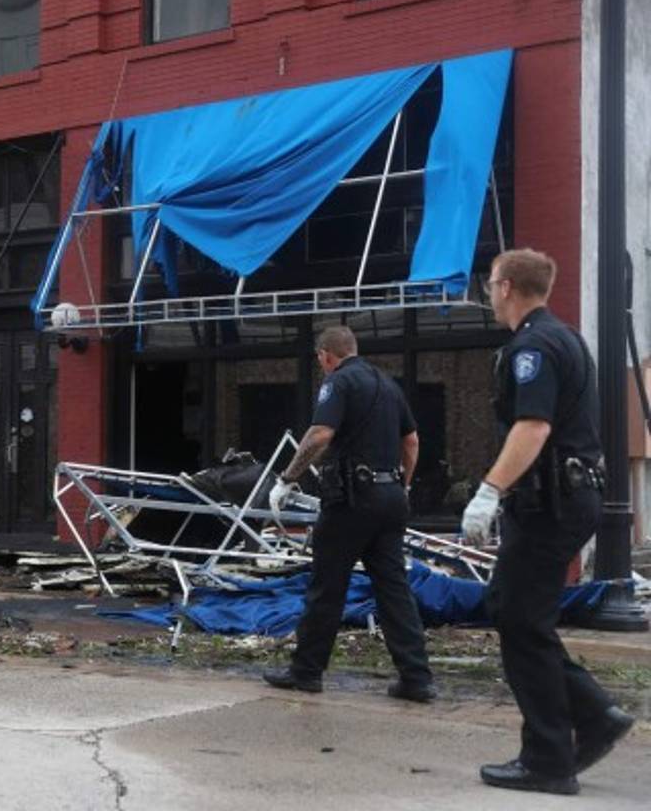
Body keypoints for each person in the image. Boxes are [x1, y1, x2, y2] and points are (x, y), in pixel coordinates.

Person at [462, 248, 633, 796]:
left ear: (507, 286)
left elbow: (532, 427)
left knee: (517, 619)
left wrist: (490, 491)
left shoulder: (532, 346)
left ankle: (548, 759)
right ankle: (594, 715)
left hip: (550, 504)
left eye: (490, 284)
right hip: (567, 498)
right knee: (520, 615)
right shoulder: (565, 337)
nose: (488, 293)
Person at [264, 326, 434, 702]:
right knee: (394, 589)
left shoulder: (339, 383)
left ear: (326, 355)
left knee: (327, 586)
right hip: (391, 498)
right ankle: (416, 677)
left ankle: (306, 672)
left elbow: (321, 434)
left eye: (321, 360)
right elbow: (412, 440)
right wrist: (402, 484)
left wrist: (287, 479)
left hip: (351, 500)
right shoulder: (388, 385)